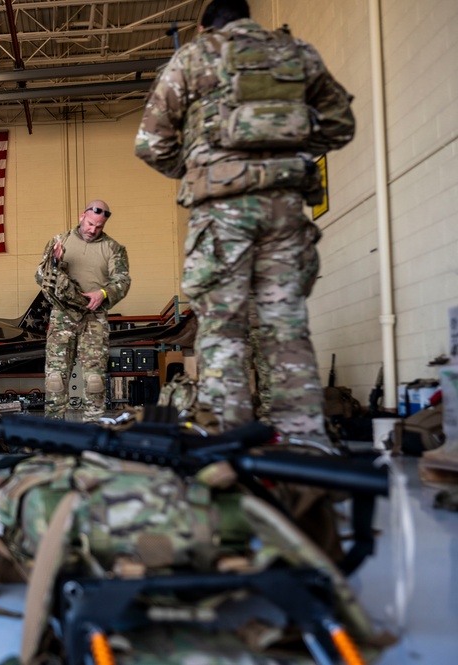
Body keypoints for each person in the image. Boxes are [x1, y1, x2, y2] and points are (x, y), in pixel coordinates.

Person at [134, 0, 355, 442]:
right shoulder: (298, 53)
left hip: (222, 213)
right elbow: (339, 125)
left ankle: (228, 451)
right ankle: (305, 451)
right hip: (285, 209)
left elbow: (150, 143)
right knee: (287, 328)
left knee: (222, 332)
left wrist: (202, 166)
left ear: (204, 26)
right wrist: (280, 153)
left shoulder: (194, 56)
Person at [35, 200, 131, 422]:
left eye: (99, 226)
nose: (92, 230)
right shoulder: (60, 241)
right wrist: (55, 263)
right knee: (55, 380)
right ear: (82, 216)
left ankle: (92, 431)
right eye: (90, 224)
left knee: (95, 380)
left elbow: (122, 281)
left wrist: (104, 294)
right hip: (62, 315)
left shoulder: (114, 249)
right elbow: (40, 277)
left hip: (94, 317)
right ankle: (53, 431)